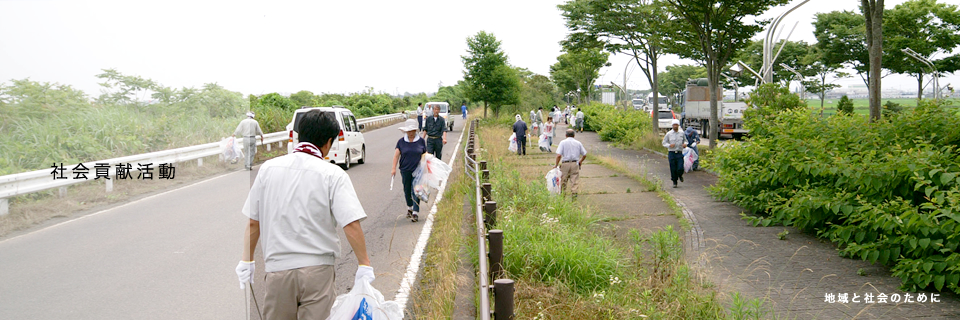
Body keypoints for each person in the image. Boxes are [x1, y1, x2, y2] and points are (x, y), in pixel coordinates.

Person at [235, 110, 373, 320]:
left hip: (278, 271)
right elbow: (351, 224)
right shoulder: (334, 174)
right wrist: (364, 264)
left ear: (299, 135)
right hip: (317, 272)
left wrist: (247, 260)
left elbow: (254, 222)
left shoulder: (268, 169)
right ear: (328, 142)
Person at [391, 119, 427, 222]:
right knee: (407, 189)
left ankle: (415, 212)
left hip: (418, 170)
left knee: (416, 190)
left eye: (412, 131)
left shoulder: (421, 141)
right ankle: (410, 208)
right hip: (405, 169)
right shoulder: (401, 142)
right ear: (406, 131)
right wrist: (393, 168)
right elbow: (396, 156)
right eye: (409, 131)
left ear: (415, 130)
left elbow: (425, 155)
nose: (411, 133)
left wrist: (426, 167)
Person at [554, 129, 588, 198]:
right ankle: (574, 196)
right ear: (574, 135)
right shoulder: (578, 143)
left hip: (565, 164)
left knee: (563, 180)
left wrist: (556, 165)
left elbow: (559, 155)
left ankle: (562, 196)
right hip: (575, 163)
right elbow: (584, 154)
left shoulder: (562, 142)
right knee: (574, 181)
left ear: (566, 135)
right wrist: (580, 161)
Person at [662, 119, 687, 188]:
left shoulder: (682, 133)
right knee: (673, 168)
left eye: (676, 125)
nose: (675, 126)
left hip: (679, 153)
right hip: (672, 153)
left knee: (680, 167)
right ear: (672, 126)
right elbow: (664, 143)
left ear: (678, 125)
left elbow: (685, 141)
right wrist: (669, 145)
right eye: (674, 125)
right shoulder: (669, 134)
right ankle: (674, 181)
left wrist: (685, 144)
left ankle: (680, 175)